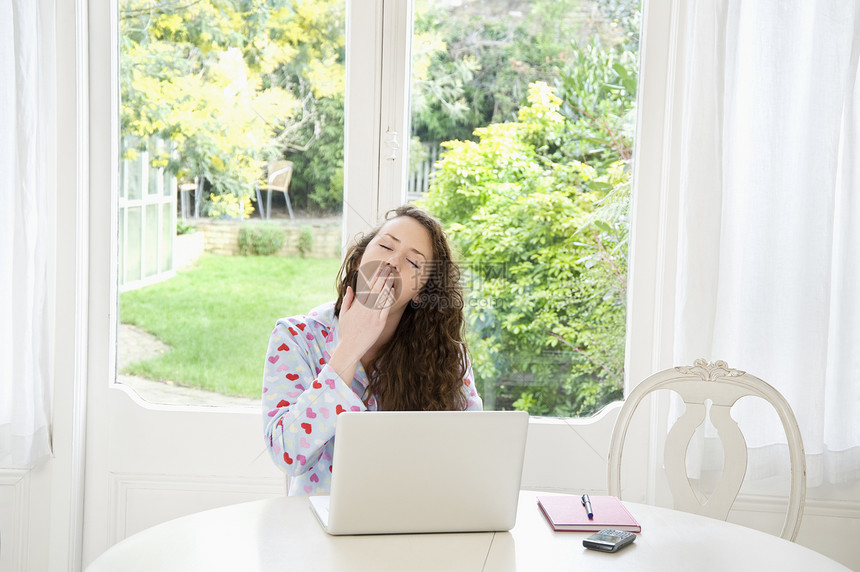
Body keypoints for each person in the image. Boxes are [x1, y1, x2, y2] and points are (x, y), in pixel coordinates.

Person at [262, 205, 483, 495]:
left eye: (414, 264)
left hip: (412, 524)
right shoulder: (296, 337)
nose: (393, 262)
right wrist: (350, 348)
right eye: (385, 246)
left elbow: (471, 454)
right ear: (358, 261)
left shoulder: (446, 357)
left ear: (420, 292)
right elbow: (287, 455)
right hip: (316, 528)